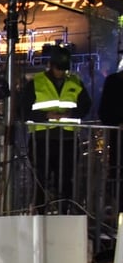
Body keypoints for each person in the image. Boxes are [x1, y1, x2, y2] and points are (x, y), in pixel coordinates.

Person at [20, 46, 91, 207]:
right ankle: (40, 215)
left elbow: (86, 106)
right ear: (51, 65)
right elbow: (24, 110)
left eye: (64, 69)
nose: (61, 72)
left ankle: (64, 213)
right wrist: (45, 116)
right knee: (40, 181)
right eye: (59, 68)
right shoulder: (36, 83)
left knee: (66, 181)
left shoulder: (75, 82)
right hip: (42, 139)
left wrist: (71, 114)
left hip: (68, 140)